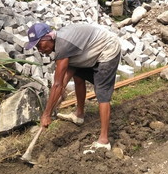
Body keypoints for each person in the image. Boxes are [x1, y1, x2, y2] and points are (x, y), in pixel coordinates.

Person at [25, 22, 121, 151]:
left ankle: (104, 141)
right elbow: (62, 83)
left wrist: (46, 114)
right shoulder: (60, 44)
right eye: (36, 47)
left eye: (40, 45)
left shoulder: (63, 46)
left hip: (107, 47)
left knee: (102, 91)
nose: (40, 50)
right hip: (89, 48)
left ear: (48, 38)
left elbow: (57, 84)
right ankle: (79, 115)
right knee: (78, 75)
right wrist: (57, 99)